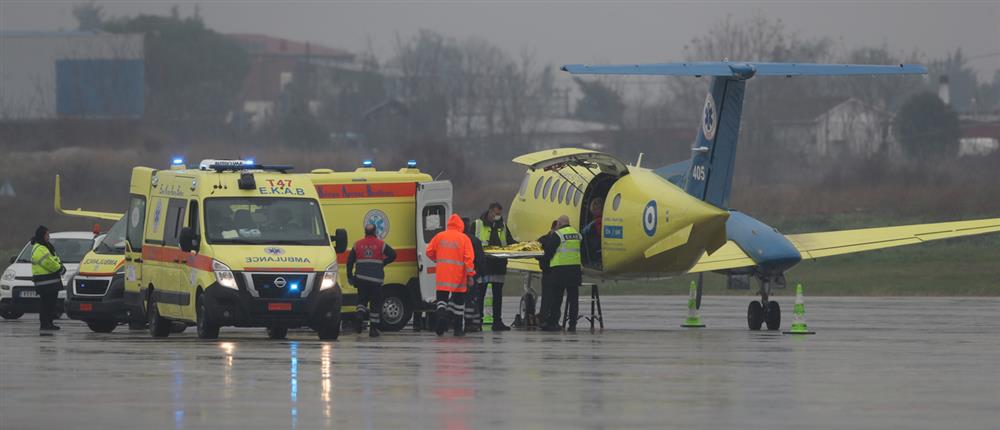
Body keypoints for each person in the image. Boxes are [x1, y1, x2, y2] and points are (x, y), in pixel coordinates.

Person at [426, 214, 476, 336]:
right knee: (459, 303)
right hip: (459, 276)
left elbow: (429, 251)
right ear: (460, 226)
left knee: (441, 301)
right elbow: (468, 259)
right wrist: (470, 275)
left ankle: (441, 317)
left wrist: (437, 260)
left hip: (443, 274)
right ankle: (458, 329)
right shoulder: (464, 239)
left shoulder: (439, 236)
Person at [346, 223, 397, 337]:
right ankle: (373, 330)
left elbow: (349, 262)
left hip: (361, 279)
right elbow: (393, 255)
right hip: (376, 280)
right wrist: (384, 262)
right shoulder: (381, 244)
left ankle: (359, 316)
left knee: (361, 300)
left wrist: (350, 276)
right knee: (375, 304)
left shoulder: (357, 245)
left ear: (365, 232)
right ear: (375, 232)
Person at [473, 202, 516, 331]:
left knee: (498, 296)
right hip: (483, 265)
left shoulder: (502, 226)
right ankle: (477, 321)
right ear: (490, 212)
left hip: (498, 265)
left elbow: (509, 241)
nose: (498, 216)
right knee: (480, 295)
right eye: (496, 213)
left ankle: (497, 322)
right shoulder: (477, 225)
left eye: (500, 214)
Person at [539, 215, 583, 332]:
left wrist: (542, 261)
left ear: (559, 224)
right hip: (575, 271)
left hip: (560, 271)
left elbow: (548, 252)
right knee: (573, 299)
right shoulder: (577, 235)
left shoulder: (558, 235)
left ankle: (553, 322)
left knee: (557, 299)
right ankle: (572, 324)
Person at [30, 226, 65, 331]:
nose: (48, 236)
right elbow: (48, 262)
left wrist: (59, 265)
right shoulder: (40, 247)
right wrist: (60, 268)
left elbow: (53, 259)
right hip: (45, 281)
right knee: (46, 304)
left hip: (50, 281)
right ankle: (45, 324)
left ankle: (49, 323)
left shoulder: (45, 246)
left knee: (50, 303)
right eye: (47, 234)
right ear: (42, 235)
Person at [462, 217, 486, 332]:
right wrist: (479, 273)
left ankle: (466, 323)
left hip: (461, 275)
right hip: (474, 274)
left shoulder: (460, 240)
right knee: (474, 300)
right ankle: (475, 324)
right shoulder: (475, 241)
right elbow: (481, 259)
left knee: (463, 300)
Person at [536, 220, 559, 328]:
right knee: (547, 297)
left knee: (555, 298)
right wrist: (544, 259)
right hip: (548, 271)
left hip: (556, 272)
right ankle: (544, 319)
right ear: (553, 227)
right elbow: (536, 252)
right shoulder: (543, 239)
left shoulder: (556, 239)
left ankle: (552, 320)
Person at [581, 197, 604, 268]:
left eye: (596, 208)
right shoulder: (594, 222)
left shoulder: (596, 222)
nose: (594, 210)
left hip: (595, 248)